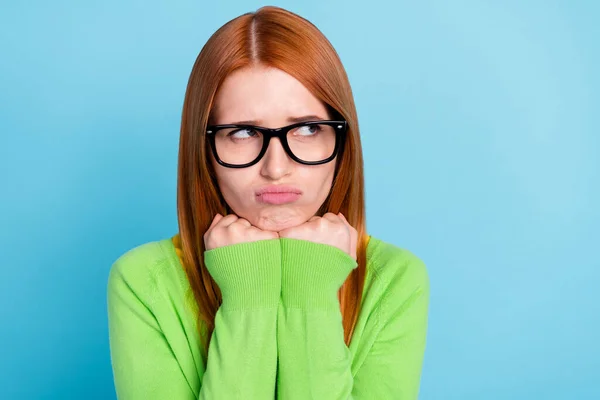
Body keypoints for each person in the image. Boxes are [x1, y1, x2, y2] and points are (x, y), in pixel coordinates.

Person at [107, 5, 430, 399]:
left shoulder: (394, 279)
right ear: (204, 148)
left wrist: (310, 294)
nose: (276, 168)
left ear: (342, 142)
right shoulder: (143, 281)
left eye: (308, 129)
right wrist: (248, 297)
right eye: (243, 132)